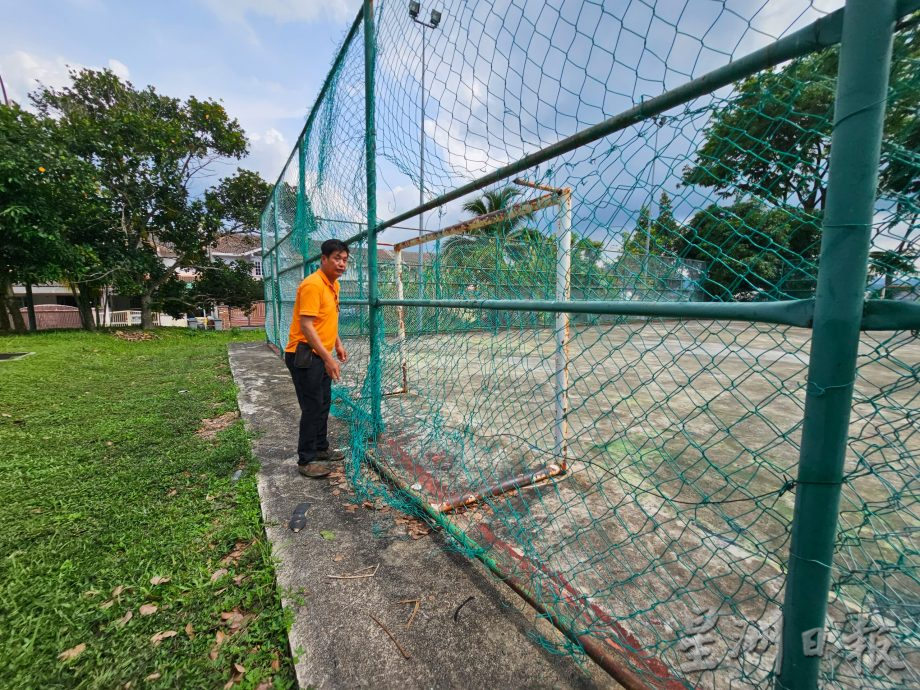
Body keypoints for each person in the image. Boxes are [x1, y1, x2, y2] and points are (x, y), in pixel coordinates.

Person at [284, 239, 350, 478]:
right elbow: (307, 326)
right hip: (303, 354)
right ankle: (306, 460)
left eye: (344, 260)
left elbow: (328, 320)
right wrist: (328, 358)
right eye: (336, 259)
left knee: (323, 403)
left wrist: (338, 345)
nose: (341, 264)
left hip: (320, 354)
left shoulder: (334, 285)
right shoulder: (312, 285)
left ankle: (321, 449)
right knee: (311, 406)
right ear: (323, 259)